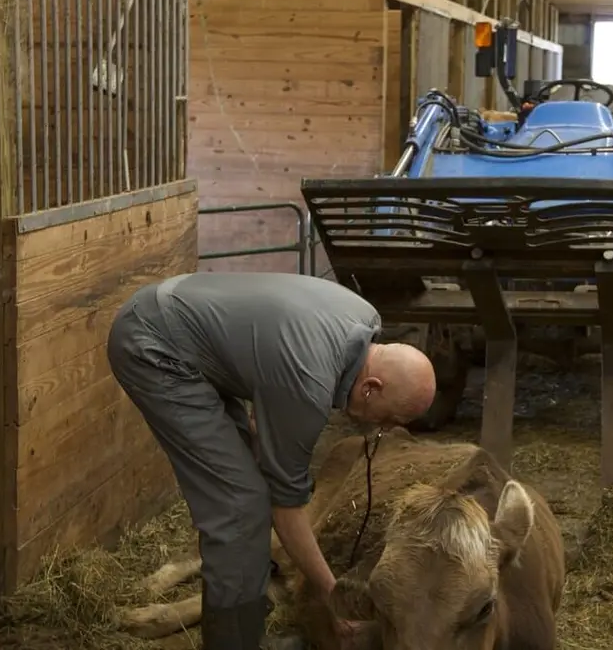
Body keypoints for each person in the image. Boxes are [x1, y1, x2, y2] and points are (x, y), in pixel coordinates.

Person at [107, 272, 437, 650]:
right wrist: (334, 595)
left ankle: (245, 610)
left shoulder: (363, 316)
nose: (388, 429)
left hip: (177, 310)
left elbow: (269, 358)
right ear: (371, 388)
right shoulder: (310, 384)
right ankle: (233, 641)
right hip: (153, 345)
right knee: (239, 506)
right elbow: (288, 510)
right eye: (390, 417)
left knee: (247, 484)